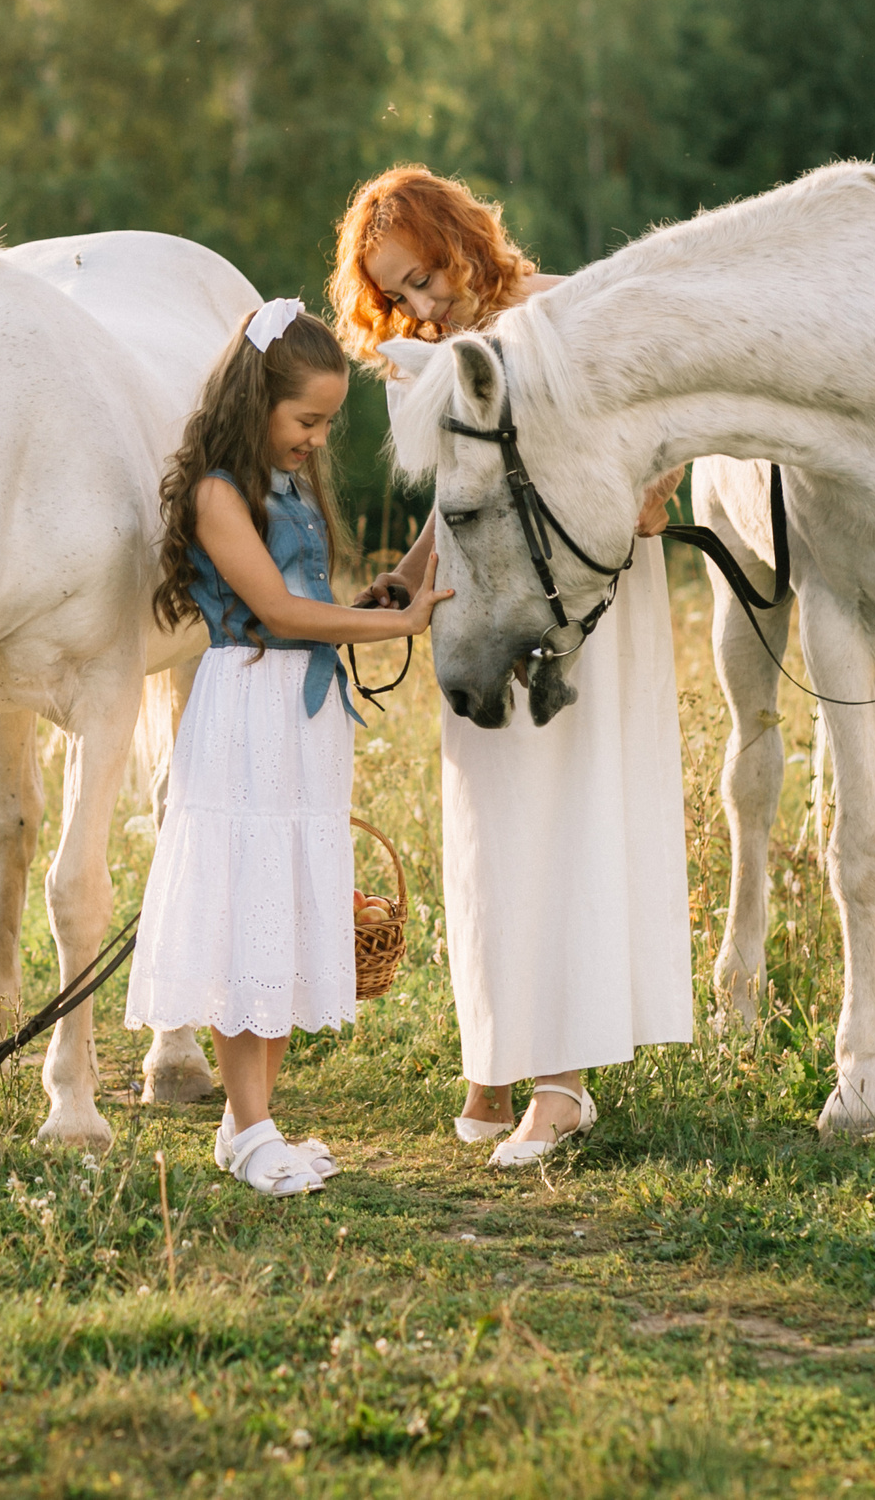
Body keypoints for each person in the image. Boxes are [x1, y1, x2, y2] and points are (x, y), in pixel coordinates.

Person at [328, 166, 692, 1168]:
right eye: (397, 289)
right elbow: (461, 499)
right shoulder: (437, 357)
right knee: (487, 824)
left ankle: (562, 1081)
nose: (421, 301)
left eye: (426, 273)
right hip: (479, 612)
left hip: (578, 608)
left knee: (563, 814)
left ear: (461, 237)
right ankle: (495, 1053)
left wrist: (646, 491)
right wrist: (403, 583)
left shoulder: (563, 311)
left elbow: (661, 437)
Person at [124, 298, 451, 1197]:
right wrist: (388, 628)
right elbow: (277, 611)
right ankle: (253, 1122)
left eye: (326, 423)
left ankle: (247, 1123)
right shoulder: (217, 493)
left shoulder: (286, 485)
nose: (316, 438)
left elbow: (314, 603)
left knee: (285, 905)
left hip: (301, 715)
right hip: (247, 705)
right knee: (248, 903)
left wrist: (378, 597)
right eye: (305, 419)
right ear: (254, 401)